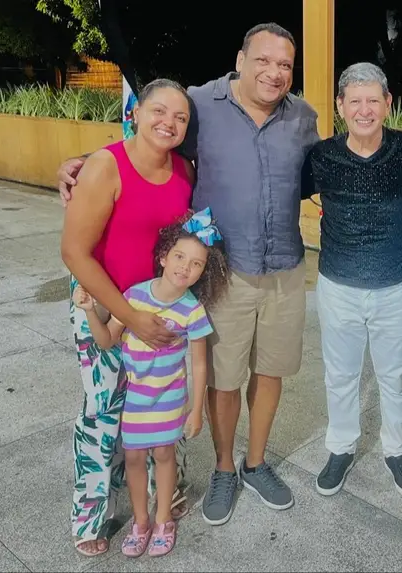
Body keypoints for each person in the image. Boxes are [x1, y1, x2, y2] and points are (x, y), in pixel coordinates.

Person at [57, 23, 321, 525]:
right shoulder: (200, 104)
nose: (274, 72)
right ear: (240, 60)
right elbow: (146, 140)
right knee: (208, 382)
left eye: (285, 64)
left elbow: (321, 170)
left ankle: (251, 465)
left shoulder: (302, 117)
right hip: (211, 275)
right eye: (263, 60)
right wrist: (83, 164)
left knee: (261, 374)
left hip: (275, 270)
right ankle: (219, 470)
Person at [60, 78, 196, 557]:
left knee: (158, 401)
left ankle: (160, 492)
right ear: (135, 112)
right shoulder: (105, 166)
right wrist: (129, 317)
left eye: (180, 117)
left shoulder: (184, 169)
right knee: (103, 412)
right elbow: (74, 252)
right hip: (103, 304)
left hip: (159, 310)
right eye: (159, 111)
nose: (168, 123)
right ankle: (90, 514)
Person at [300, 62, 402, 498]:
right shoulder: (321, 156)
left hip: (396, 285)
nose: (364, 110)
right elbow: (276, 189)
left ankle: (397, 450)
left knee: (394, 376)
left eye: (373, 100)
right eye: (355, 101)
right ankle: (341, 447)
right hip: (337, 285)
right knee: (340, 375)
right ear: (340, 106)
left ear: (388, 103)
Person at [71, 208, 228, 557]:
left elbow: (200, 364)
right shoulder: (133, 297)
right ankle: (140, 522)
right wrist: (89, 310)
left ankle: (163, 520)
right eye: (179, 257)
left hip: (170, 399)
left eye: (196, 264)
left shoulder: (193, 311)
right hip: (137, 399)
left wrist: (196, 410)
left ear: (203, 272)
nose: (185, 268)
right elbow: (106, 340)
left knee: (165, 455)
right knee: (134, 459)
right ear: (163, 257)